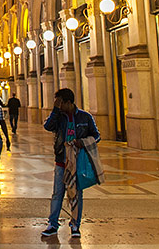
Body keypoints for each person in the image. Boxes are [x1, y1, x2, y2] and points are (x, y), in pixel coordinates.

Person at [42, 88, 102, 239]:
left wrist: (82, 142)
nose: (59, 106)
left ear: (68, 102)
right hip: (61, 161)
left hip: (77, 161)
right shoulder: (59, 117)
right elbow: (48, 126)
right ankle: (52, 224)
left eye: (60, 103)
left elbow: (96, 135)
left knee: (77, 194)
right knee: (57, 193)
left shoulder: (85, 117)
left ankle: (75, 225)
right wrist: (55, 110)